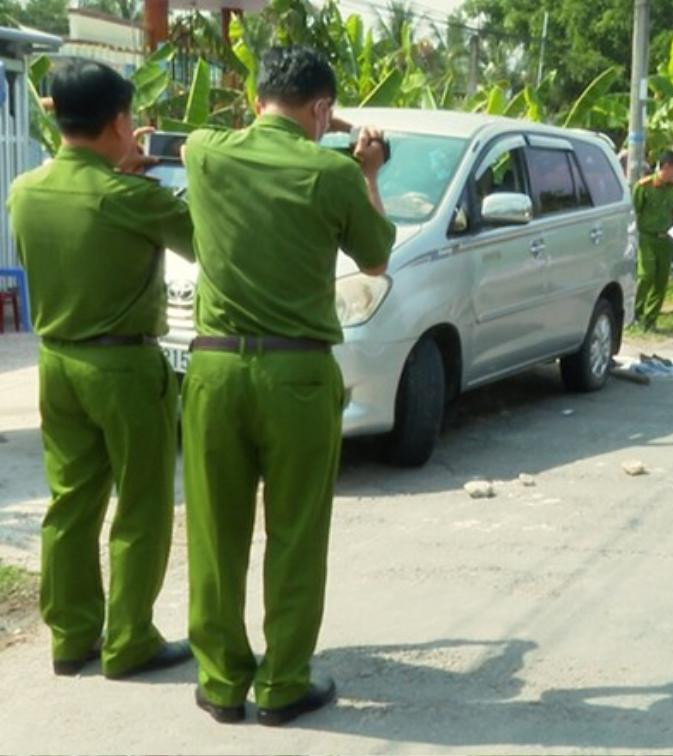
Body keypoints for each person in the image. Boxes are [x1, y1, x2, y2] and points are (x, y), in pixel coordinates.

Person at [182, 46, 396, 726]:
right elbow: (376, 254)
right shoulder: (331, 174)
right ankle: (281, 686)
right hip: (298, 373)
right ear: (322, 108)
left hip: (214, 370)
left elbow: (231, 132)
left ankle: (220, 683)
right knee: (296, 533)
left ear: (255, 100)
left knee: (216, 533)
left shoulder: (203, 153)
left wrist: (314, 124)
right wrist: (365, 170)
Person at [7, 62, 195, 680]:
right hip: (124, 363)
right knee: (140, 505)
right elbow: (202, 242)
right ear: (120, 122)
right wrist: (147, 177)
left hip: (56, 361)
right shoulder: (133, 197)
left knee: (71, 503)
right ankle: (130, 639)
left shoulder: (24, 189)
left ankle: (72, 637)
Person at [632, 150, 673, 330]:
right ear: (666, 167)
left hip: (666, 239)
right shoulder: (643, 186)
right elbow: (634, 213)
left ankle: (650, 319)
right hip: (647, 237)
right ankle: (636, 314)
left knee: (661, 280)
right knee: (646, 276)